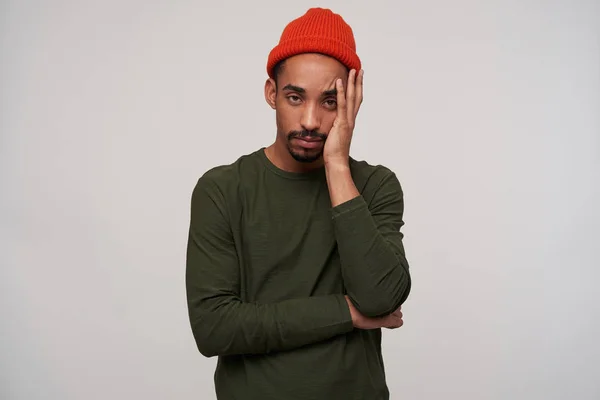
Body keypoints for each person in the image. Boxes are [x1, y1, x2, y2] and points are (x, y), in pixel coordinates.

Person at [185, 7, 411, 400]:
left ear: (351, 102)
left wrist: (337, 165)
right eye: (295, 97)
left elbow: (381, 298)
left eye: (329, 102)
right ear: (272, 93)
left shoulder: (375, 186)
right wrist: (347, 313)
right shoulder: (222, 189)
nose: (310, 120)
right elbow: (214, 328)